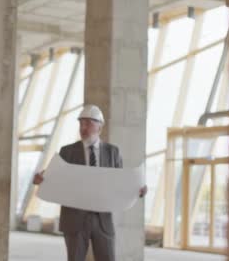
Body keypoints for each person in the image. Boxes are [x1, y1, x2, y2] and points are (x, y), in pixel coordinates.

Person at [33, 104, 147, 261]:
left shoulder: (113, 152)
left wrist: (138, 190)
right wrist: (40, 179)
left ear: (99, 127)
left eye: (88, 123)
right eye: (81, 123)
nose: (83, 127)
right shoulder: (67, 152)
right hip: (74, 220)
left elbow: (120, 183)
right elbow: (53, 178)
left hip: (103, 221)